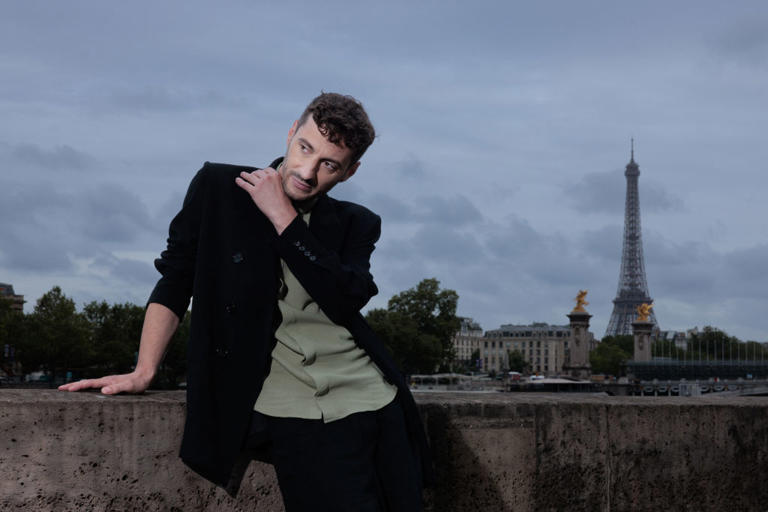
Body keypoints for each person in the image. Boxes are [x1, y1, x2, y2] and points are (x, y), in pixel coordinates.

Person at [60, 92, 433, 511]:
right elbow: (177, 278)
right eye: (305, 148)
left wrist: (284, 219)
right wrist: (144, 370)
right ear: (291, 133)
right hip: (294, 406)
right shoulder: (220, 188)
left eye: (329, 164)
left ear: (349, 172)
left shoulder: (356, 223)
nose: (308, 173)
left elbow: (346, 299)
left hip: (375, 397)